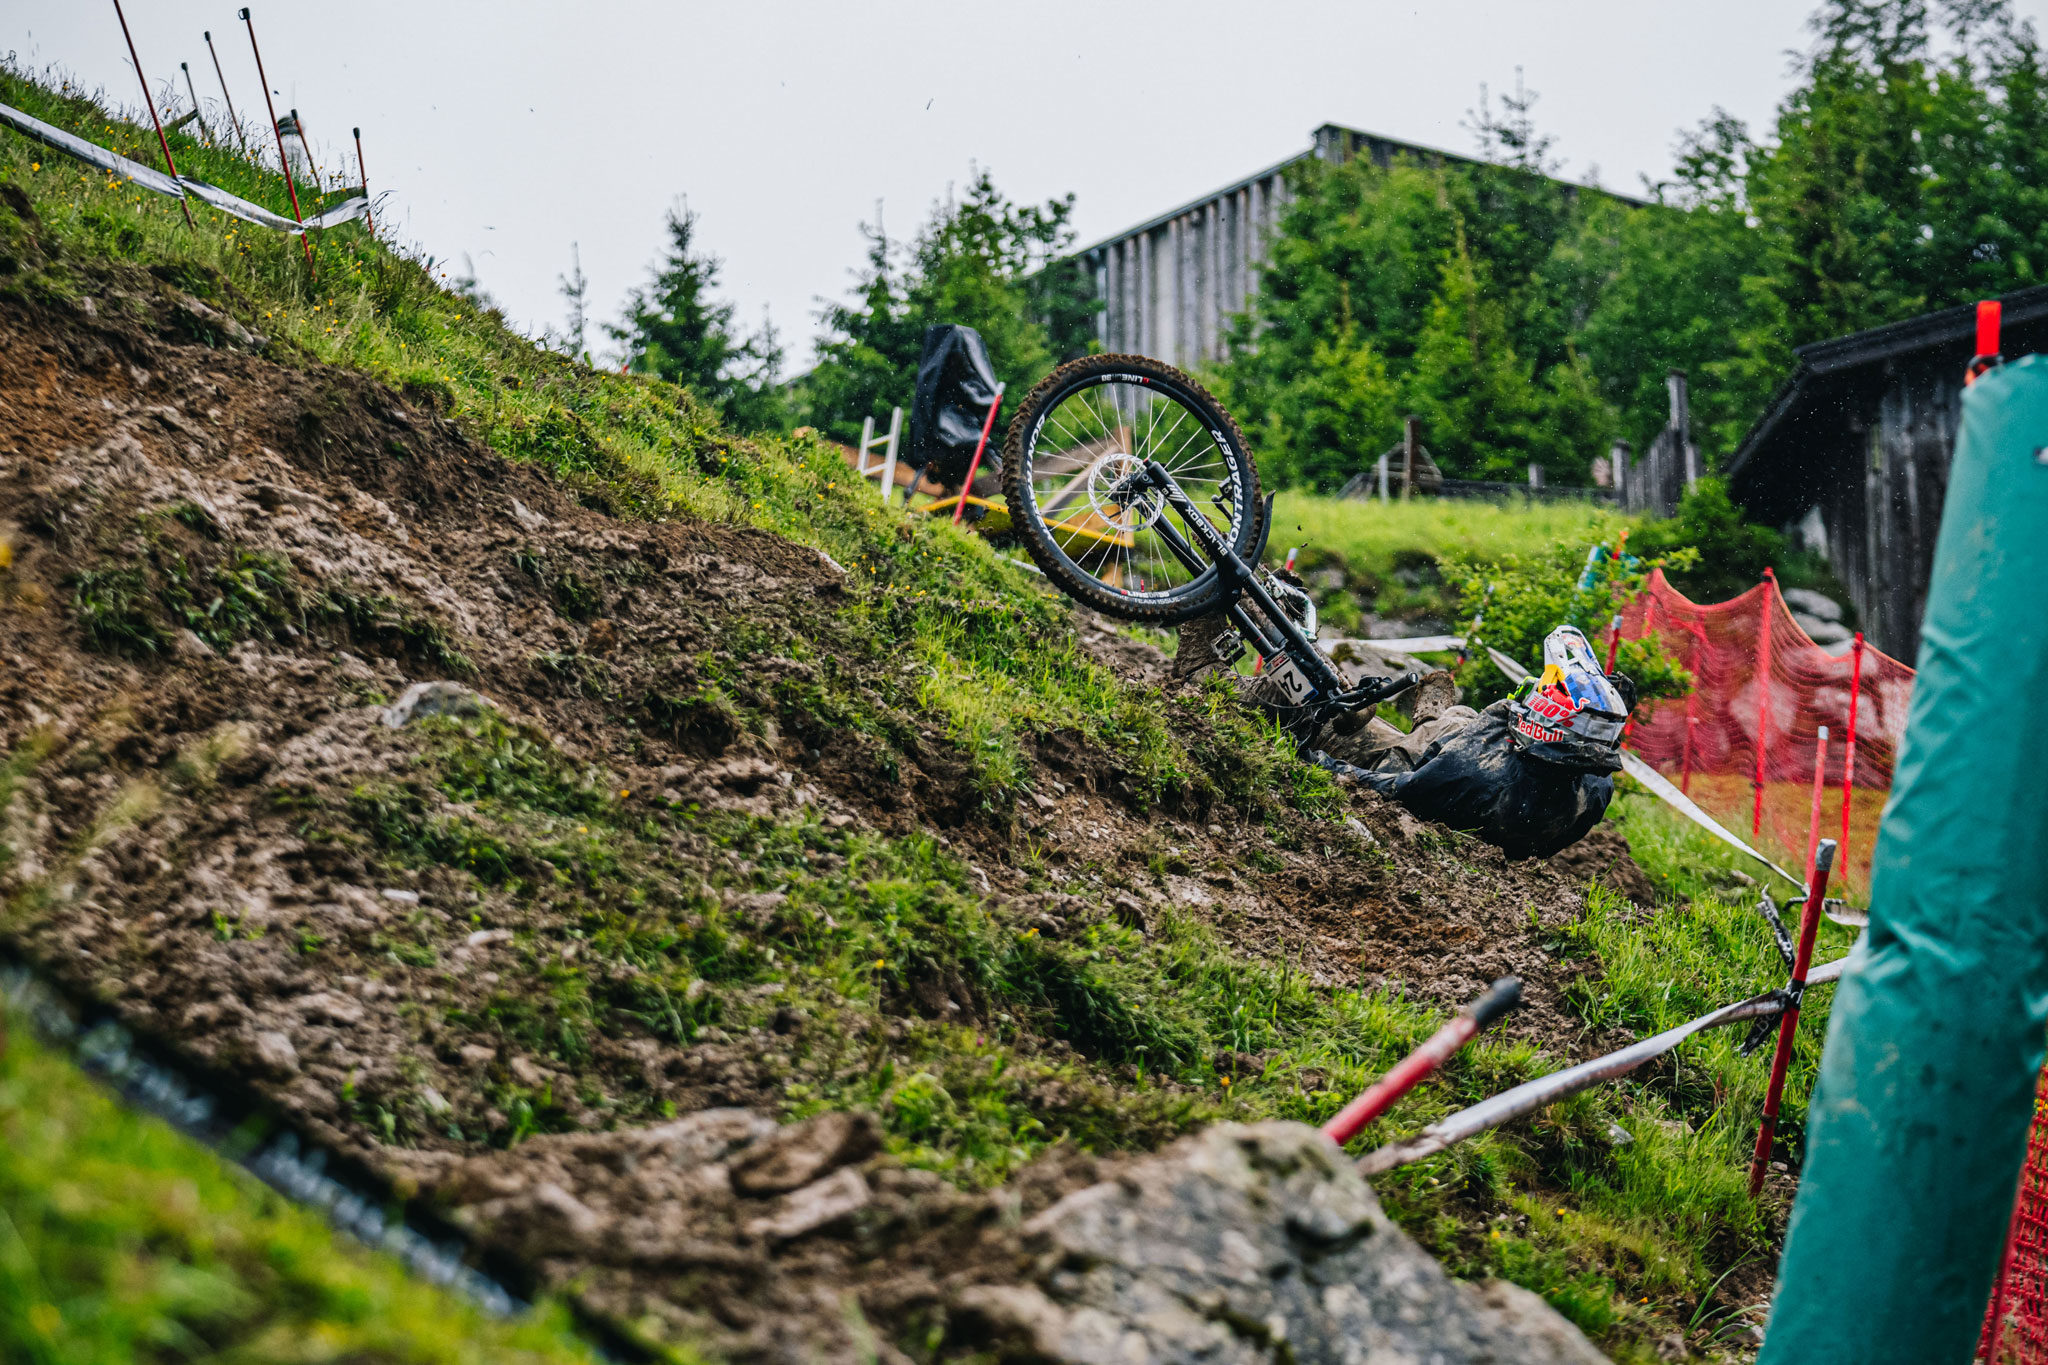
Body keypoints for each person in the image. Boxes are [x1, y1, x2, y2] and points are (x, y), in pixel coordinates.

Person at [1312, 625, 1635, 859]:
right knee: (1462, 713)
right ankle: (1432, 719)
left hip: (1431, 775)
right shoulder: (1596, 787)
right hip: (1500, 815)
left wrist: (1323, 764)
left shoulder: (1469, 768)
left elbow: (1393, 788)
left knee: (1345, 727)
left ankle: (1428, 722)